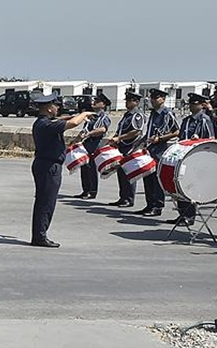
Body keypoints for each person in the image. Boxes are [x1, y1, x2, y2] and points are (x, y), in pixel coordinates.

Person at [30, 93, 94, 247]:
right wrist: (84, 113)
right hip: (48, 166)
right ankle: (40, 236)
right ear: (49, 108)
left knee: (44, 201)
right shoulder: (46, 125)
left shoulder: (43, 122)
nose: (58, 108)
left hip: (46, 165)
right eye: (55, 105)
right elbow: (72, 123)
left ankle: (39, 234)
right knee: (46, 202)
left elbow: (61, 120)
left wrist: (76, 116)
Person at [168, 94, 217, 226]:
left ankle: (189, 216)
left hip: (197, 158)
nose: (191, 106)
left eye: (194, 103)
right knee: (180, 185)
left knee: (190, 187)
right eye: (190, 103)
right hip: (184, 157)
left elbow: (210, 140)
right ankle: (182, 214)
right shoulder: (187, 120)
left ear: (202, 105)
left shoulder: (205, 120)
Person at [136, 88, 179, 217]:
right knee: (147, 177)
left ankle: (157, 206)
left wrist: (160, 139)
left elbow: (176, 131)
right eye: (152, 98)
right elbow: (149, 131)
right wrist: (141, 141)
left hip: (159, 149)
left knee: (156, 179)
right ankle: (149, 204)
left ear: (163, 99)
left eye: (156, 98)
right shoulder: (153, 113)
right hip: (149, 149)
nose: (153, 100)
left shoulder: (167, 113)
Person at [105, 90, 146, 208]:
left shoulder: (137, 115)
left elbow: (137, 131)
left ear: (137, 102)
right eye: (127, 100)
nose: (127, 103)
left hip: (131, 147)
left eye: (129, 101)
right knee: (122, 173)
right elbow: (121, 130)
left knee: (129, 174)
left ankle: (129, 198)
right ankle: (123, 197)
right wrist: (114, 139)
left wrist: (119, 138)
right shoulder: (126, 115)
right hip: (122, 147)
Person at [73, 94, 111, 200]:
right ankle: (85, 190)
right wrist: (78, 138)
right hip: (86, 144)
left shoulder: (104, 117)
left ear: (103, 104)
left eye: (97, 101)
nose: (94, 102)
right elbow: (85, 128)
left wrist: (89, 134)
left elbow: (103, 129)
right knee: (84, 168)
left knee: (91, 169)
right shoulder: (91, 116)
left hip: (95, 144)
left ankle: (92, 191)